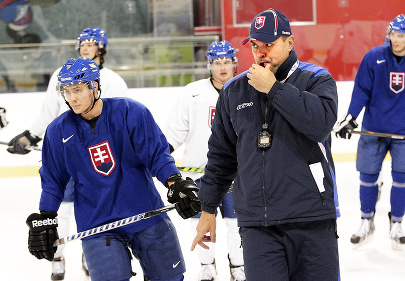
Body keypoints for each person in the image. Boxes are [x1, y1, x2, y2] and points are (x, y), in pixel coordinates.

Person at [191, 9, 340, 281]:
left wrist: (274, 89)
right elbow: (222, 157)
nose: (261, 53)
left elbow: (319, 125)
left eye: (269, 45)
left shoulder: (317, 79)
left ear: (290, 43)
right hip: (258, 226)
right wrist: (208, 208)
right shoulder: (234, 90)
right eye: (255, 46)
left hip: (311, 219)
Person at [25, 56, 201, 281]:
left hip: (145, 214)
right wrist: (46, 216)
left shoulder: (130, 112)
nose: (72, 98)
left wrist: (175, 183)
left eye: (77, 90)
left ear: (95, 86)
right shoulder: (57, 131)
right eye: (67, 92)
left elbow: (157, 155)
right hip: (97, 225)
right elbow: (53, 180)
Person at [7, 27, 127, 280]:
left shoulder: (114, 81)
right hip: (66, 157)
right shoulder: (60, 77)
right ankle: (58, 257)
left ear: (102, 48)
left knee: (96, 209)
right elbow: (48, 115)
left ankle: (91, 253)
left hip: (97, 160)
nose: (85, 46)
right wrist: (30, 135)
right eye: (82, 42)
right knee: (60, 210)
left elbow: (120, 122)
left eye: (91, 43)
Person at [334, 14, 405, 248]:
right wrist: (351, 117)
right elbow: (362, 90)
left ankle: (396, 223)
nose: (395, 39)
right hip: (374, 129)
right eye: (393, 34)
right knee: (367, 177)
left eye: (401, 35)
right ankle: (367, 221)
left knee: (402, 179)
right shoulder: (374, 57)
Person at [164, 40, 245, 281]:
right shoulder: (193, 92)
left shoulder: (245, 90)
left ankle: (238, 265)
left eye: (227, 62)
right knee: (199, 222)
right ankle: (207, 265)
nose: (222, 67)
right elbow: (176, 130)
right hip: (199, 176)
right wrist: (162, 152)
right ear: (209, 65)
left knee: (236, 223)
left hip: (236, 174)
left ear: (234, 64)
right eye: (217, 62)